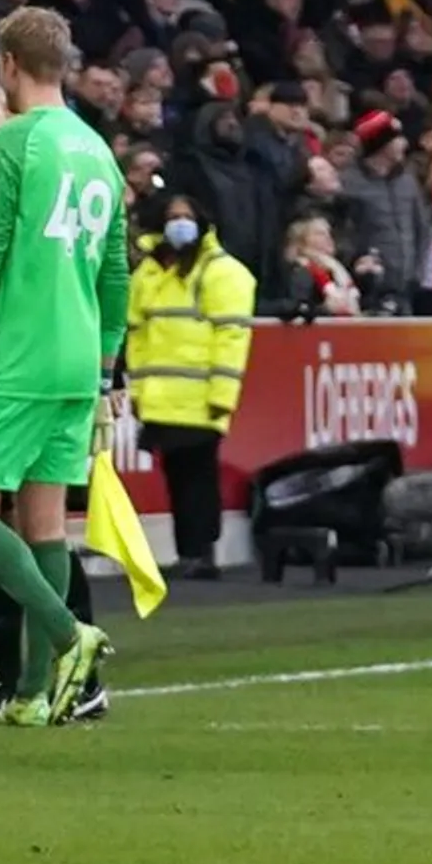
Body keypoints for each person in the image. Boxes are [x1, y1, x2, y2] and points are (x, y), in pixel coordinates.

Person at [0, 6, 126, 728]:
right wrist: (104, 373)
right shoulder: (97, 149)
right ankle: (33, 695)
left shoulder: (10, 143)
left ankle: (71, 636)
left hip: (19, 353)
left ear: (7, 64)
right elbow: (115, 274)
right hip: (77, 357)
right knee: (44, 524)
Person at [123, 184, 255, 582]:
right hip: (161, 397)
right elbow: (138, 336)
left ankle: (202, 552)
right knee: (178, 476)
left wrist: (222, 395)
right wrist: (137, 393)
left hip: (200, 396)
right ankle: (189, 552)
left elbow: (231, 339)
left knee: (199, 476)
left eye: (186, 217)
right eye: (172, 218)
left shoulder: (222, 272)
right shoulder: (149, 272)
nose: (179, 224)